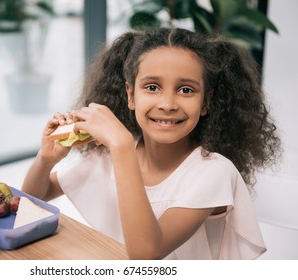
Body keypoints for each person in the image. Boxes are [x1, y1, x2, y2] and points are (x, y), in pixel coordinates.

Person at [22, 27, 281, 259]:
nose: (167, 104)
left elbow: (147, 254)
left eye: (186, 90)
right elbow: (34, 197)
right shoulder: (112, 153)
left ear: (207, 102)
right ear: (130, 95)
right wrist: (46, 159)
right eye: (152, 87)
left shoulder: (214, 172)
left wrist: (121, 146)